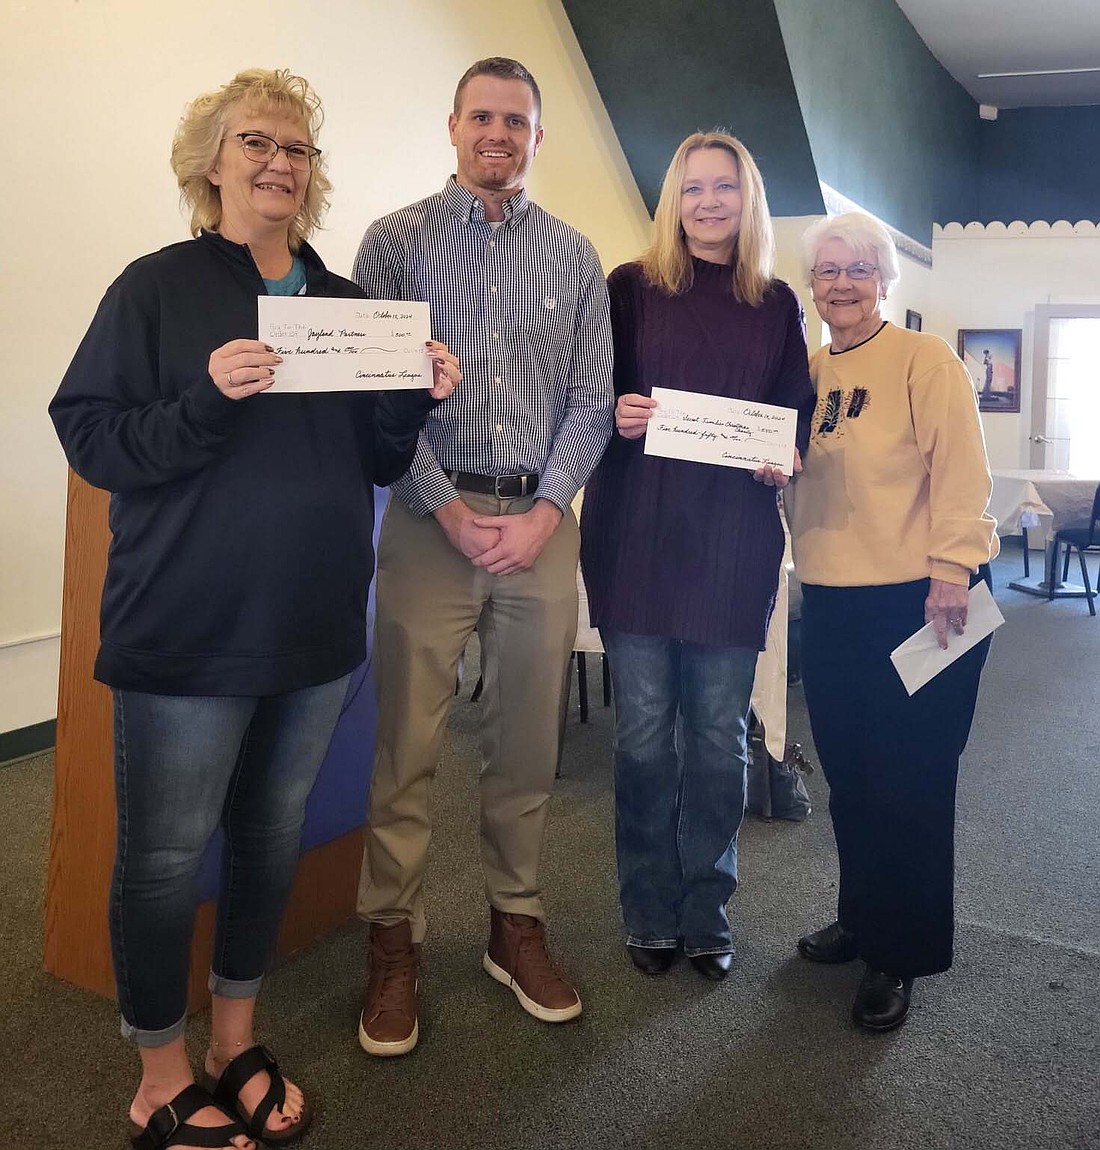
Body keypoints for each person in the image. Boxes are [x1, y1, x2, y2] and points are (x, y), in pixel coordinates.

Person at [49, 69, 458, 1150]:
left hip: (316, 627)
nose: (279, 161)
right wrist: (202, 400)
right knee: (164, 853)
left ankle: (234, 1039)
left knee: (268, 840)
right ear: (213, 163)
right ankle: (160, 1072)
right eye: (256, 142)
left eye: (297, 147)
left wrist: (415, 392)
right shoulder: (156, 289)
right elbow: (92, 439)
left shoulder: (350, 307)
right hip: (186, 627)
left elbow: (377, 456)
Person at [351, 57, 613, 1055]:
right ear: (452, 126)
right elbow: (380, 390)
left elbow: (590, 398)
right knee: (406, 747)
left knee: (525, 740)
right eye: (482, 116)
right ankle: (392, 938)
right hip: (431, 521)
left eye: (517, 120)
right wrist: (444, 508)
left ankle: (514, 919)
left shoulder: (575, 256)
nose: (498, 133)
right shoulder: (396, 243)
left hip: (539, 526)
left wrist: (548, 511)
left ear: (537, 137)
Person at [579, 131, 814, 981]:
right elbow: (582, 400)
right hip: (636, 537)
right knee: (642, 738)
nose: (709, 203)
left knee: (719, 742)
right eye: (693, 188)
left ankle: (706, 909)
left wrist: (782, 454)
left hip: (731, 546)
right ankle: (646, 905)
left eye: (725, 188)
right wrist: (616, 411)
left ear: (747, 200)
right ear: (671, 201)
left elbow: (797, 421)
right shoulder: (629, 289)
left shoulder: (778, 301)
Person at [786, 211, 998, 1032]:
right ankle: (863, 917)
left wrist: (951, 570)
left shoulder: (924, 360)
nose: (841, 282)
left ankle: (901, 953)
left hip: (922, 599)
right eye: (828, 270)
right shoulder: (806, 372)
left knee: (911, 782)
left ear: (885, 279)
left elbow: (962, 473)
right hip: (834, 603)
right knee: (853, 779)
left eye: (859, 269)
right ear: (812, 285)